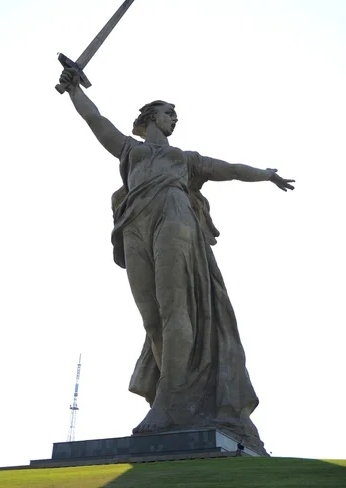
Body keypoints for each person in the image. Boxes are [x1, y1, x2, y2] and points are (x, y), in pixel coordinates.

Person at [59, 68, 294, 452]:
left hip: (174, 213)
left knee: (174, 308)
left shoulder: (185, 159)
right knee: (151, 317)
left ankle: (169, 402)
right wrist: (72, 88)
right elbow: (95, 119)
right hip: (134, 222)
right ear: (152, 117)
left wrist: (266, 175)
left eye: (175, 116)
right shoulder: (130, 150)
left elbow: (231, 170)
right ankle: (171, 399)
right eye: (170, 114)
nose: (175, 120)